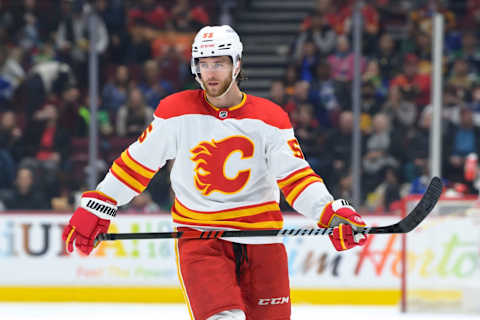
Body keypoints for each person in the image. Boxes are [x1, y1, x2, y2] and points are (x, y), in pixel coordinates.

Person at [62, 25, 368, 320]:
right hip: (201, 239)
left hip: (261, 241)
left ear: (237, 64)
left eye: (219, 63)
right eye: (203, 64)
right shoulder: (176, 112)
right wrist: (101, 202)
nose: (210, 73)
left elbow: (296, 177)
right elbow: (136, 164)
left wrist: (329, 212)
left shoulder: (270, 118)